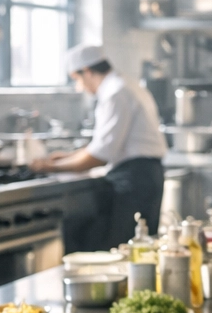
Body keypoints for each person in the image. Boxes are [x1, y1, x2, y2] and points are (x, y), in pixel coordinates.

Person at [31, 44, 167, 249]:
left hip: (135, 179)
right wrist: (68, 157)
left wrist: (51, 167)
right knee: (140, 248)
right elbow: (103, 145)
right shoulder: (125, 85)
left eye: (77, 79)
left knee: (126, 249)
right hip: (145, 175)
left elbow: (101, 155)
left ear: (87, 71)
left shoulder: (115, 92)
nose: (79, 87)